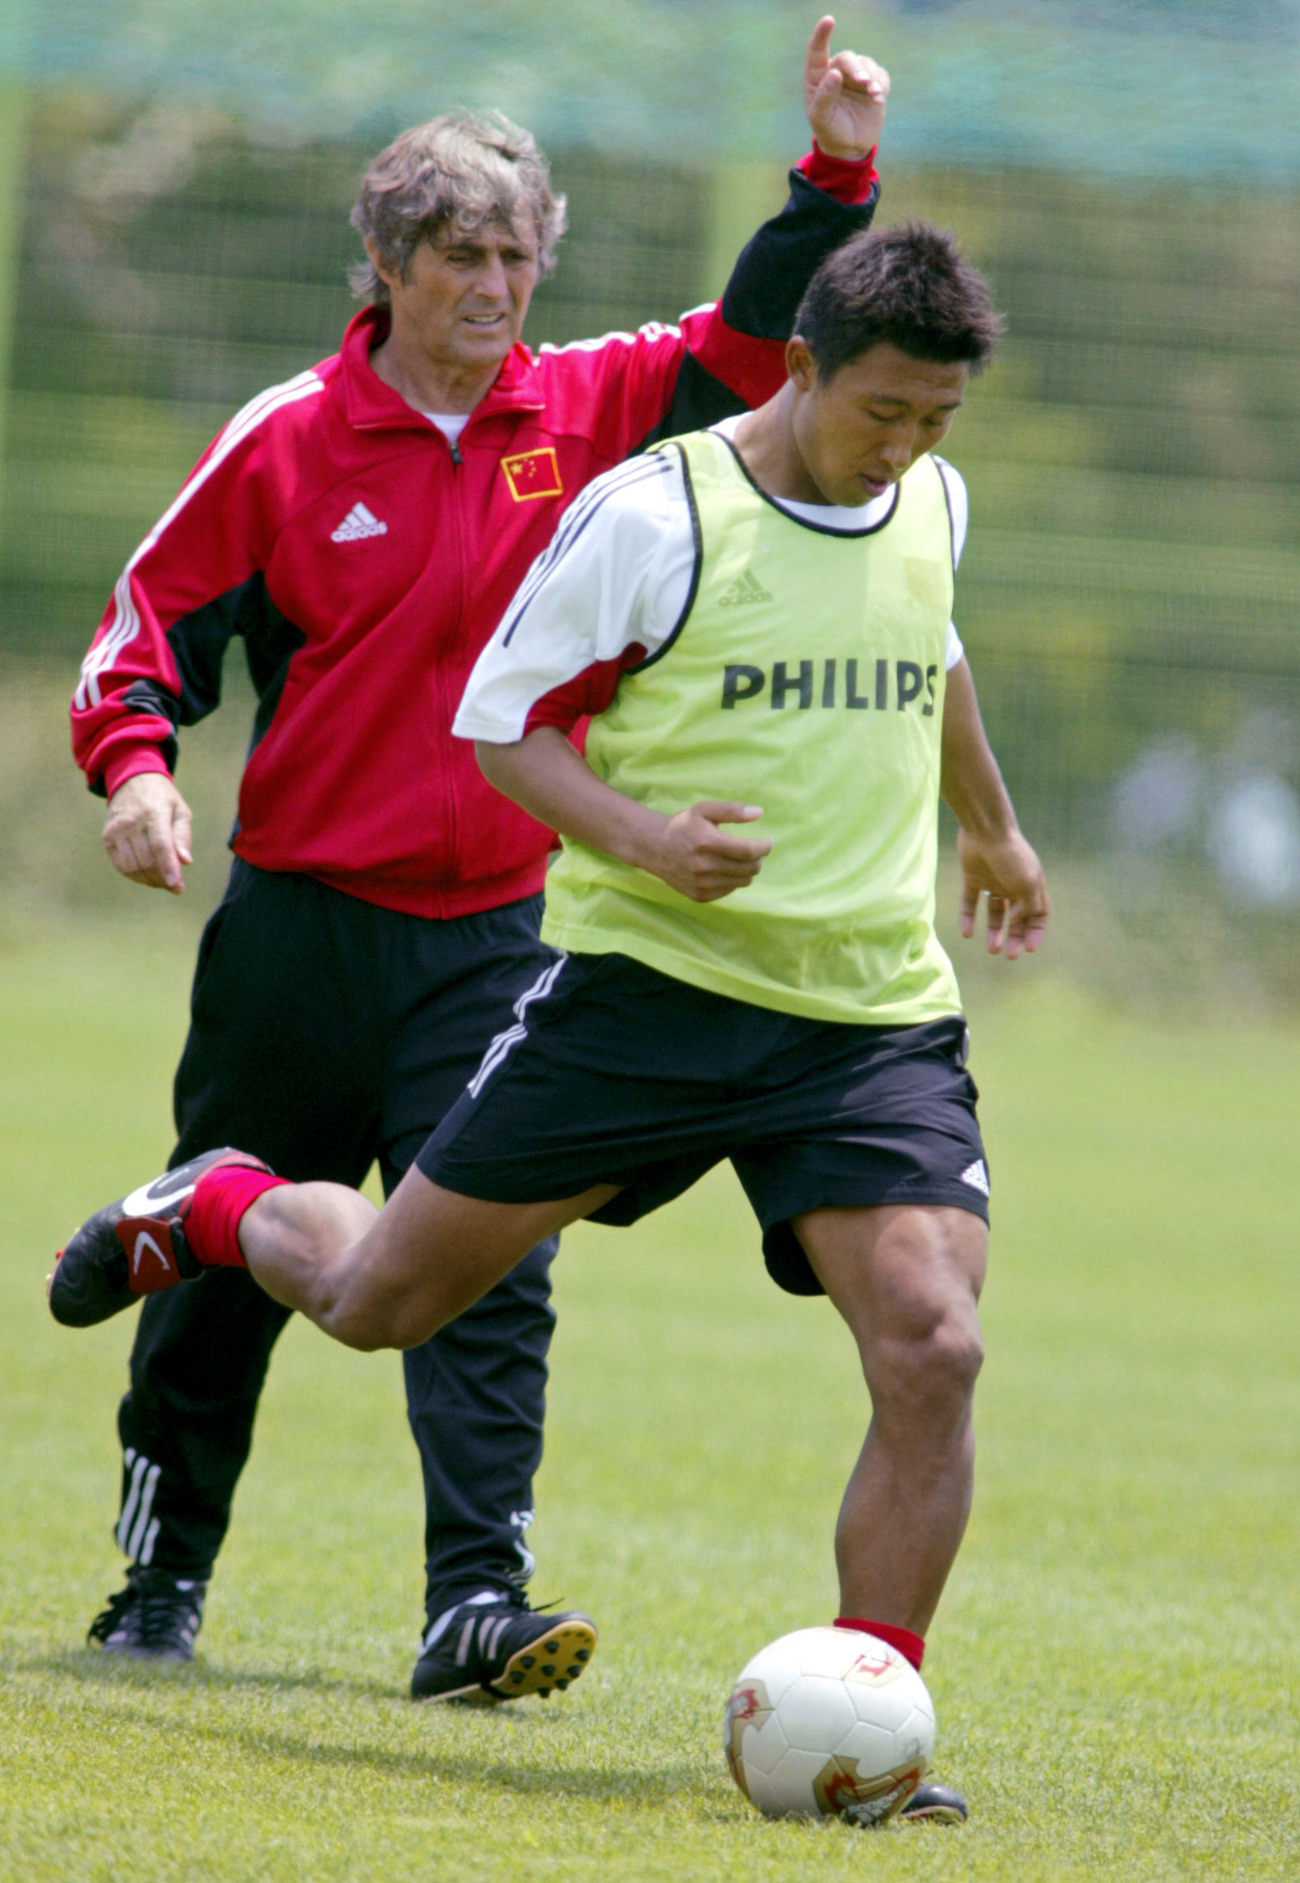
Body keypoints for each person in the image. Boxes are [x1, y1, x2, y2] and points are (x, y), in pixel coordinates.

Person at [54, 219, 1048, 1822]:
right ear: (801, 367)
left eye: (937, 420)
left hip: (863, 1019)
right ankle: (216, 1205)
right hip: (642, 998)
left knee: (934, 1345)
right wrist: (649, 841)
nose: (907, 449)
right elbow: (502, 726)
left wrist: (991, 829)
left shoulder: (929, 495)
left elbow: (931, 655)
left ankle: (872, 1723)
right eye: (883, 412)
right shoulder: (656, 516)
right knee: (384, 1297)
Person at [62, 20, 893, 1698]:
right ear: (385, 260)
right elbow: (147, 627)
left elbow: (746, 348)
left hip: (501, 934)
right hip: (299, 928)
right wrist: (138, 772)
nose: (495, 282)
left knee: (492, 1268)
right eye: (461, 253)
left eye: (519, 251)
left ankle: (473, 1605)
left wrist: (836, 173)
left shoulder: (577, 407)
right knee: (226, 1286)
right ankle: (159, 1580)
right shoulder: (292, 438)